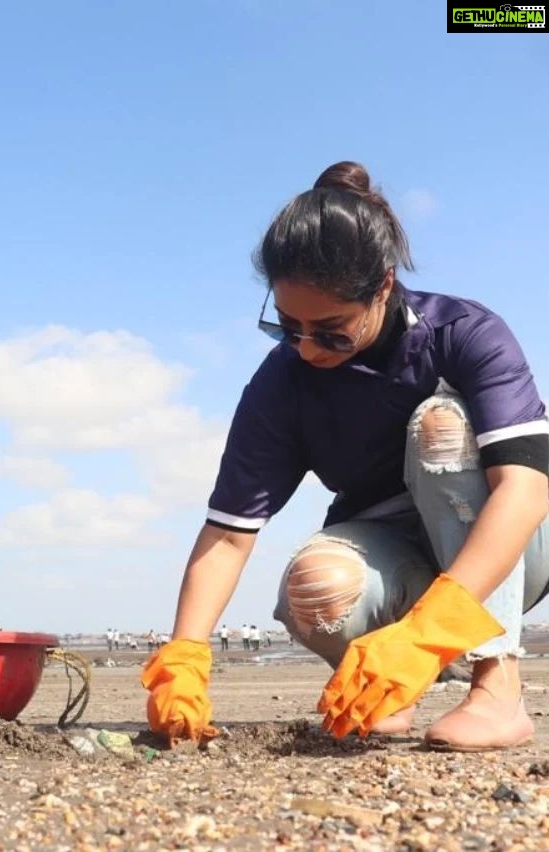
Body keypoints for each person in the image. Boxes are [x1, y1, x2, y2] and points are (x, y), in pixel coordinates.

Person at [141, 162, 549, 751]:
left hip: (511, 548)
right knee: (315, 586)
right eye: (287, 327)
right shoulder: (282, 383)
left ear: (383, 286)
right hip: (395, 554)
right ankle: (385, 687)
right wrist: (186, 652)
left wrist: (431, 632)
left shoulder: (464, 333)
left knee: (442, 425)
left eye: (331, 330)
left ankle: (497, 686)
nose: (306, 349)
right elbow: (229, 533)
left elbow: (524, 490)